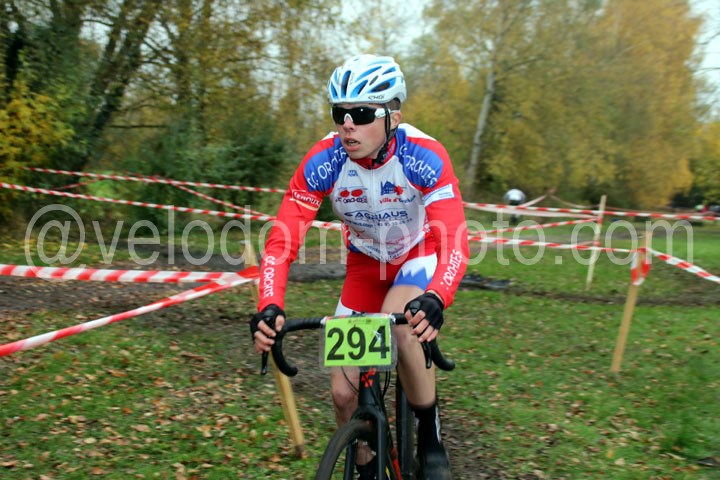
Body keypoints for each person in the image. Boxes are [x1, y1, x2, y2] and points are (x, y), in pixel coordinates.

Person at [250, 54, 468, 479]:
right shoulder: (324, 161)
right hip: (365, 265)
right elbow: (281, 243)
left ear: (392, 117)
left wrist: (438, 295)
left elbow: (454, 241)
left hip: (417, 254)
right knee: (342, 394)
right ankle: (367, 470)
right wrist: (269, 305)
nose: (348, 125)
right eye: (340, 113)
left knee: (403, 328)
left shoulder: (423, 155)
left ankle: (430, 436)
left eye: (363, 114)